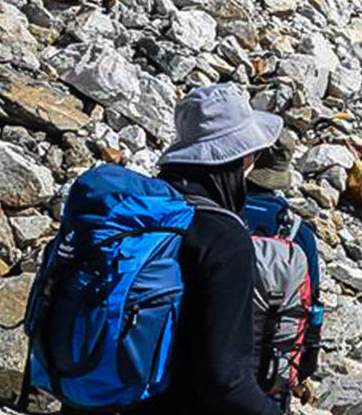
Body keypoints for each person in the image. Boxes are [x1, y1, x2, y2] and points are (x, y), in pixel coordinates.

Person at [138, 83, 284, 415]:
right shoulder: (224, 238)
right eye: (254, 152)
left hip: (98, 394)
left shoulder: (149, 206)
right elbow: (225, 381)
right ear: (240, 155)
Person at [242, 130, 324, 410]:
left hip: (204, 366)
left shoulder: (218, 212)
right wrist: (304, 368)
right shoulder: (299, 233)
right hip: (269, 372)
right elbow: (312, 306)